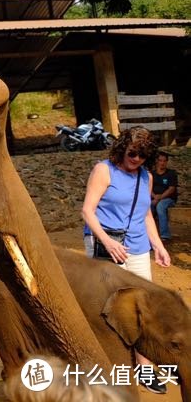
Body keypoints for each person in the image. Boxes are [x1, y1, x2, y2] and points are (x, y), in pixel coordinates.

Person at [81, 126, 171, 395]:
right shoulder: (104, 170)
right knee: (105, 307)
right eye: (133, 153)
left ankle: (144, 369)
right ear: (122, 148)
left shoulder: (146, 177)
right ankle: (103, 366)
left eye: (143, 155)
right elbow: (87, 210)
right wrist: (108, 242)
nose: (137, 159)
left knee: (142, 308)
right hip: (105, 244)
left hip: (138, 247)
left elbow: (145, 216)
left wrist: (159, 246)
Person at [151, 151, 178, 241]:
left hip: (168, 199)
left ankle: (165, 235)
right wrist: (154, 197)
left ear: (167, 162)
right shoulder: (152, 174)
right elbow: (148, 188)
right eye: (160, 160)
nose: (162, 163)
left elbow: (171, 189)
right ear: (157, 161)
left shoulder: (171, 173)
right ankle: (149, 234)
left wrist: (159, 198)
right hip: (154, 198)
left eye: (164, 161)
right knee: (147, 207)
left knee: (160, 206)